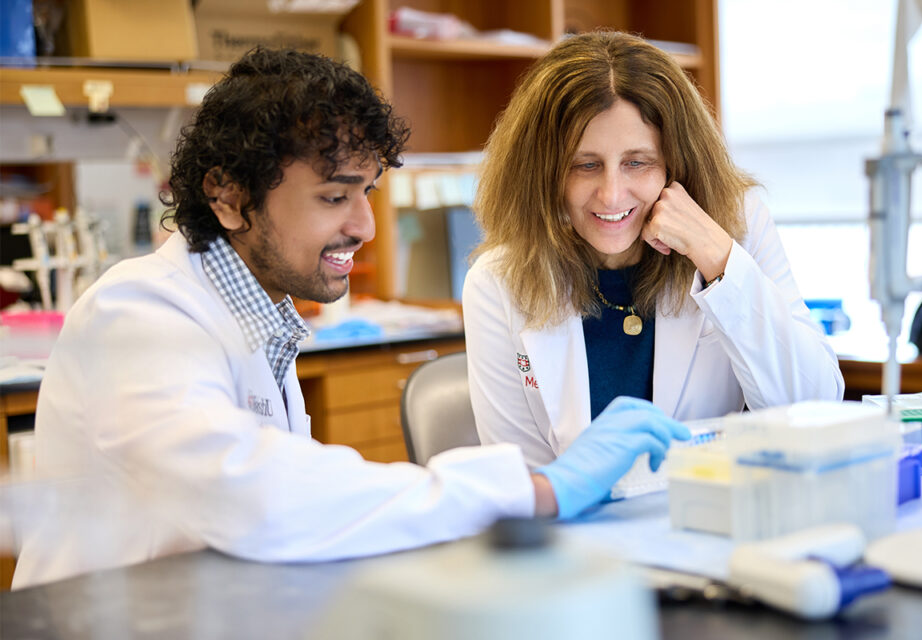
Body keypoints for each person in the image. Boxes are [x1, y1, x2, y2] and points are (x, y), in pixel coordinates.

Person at [9, 47, 690, 589]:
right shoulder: (141, 317)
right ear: (227, 195)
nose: (364, 225)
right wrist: (534, 489)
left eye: (367, 191)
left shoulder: (259, 317)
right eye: (335, 196)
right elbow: (258, 497)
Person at [463, 31, 844, 486]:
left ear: (676, 163)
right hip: (585, 545)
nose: (611, 194)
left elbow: (815, 406)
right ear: (544, 172)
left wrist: (717, 259)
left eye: (637, 162)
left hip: (711, 524)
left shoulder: (734, 231)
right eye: (585, 165)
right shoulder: (497, 282)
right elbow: (528, 487)